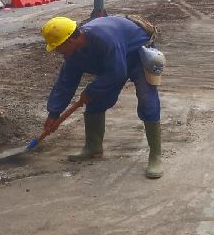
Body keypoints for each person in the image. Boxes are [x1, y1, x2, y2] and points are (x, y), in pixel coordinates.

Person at [41, 16, 165, 179]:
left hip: (137, 55)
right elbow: (66, 83)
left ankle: (155, 156)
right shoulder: (73, 54)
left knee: (147, 100)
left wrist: (91, 90)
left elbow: (116, 72)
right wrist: (54, 112)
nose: (58, 52)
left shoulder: (104, 38)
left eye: (58, 47)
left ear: (69, 41)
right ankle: (93, 147)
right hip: (115, 60)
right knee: (96, 100)